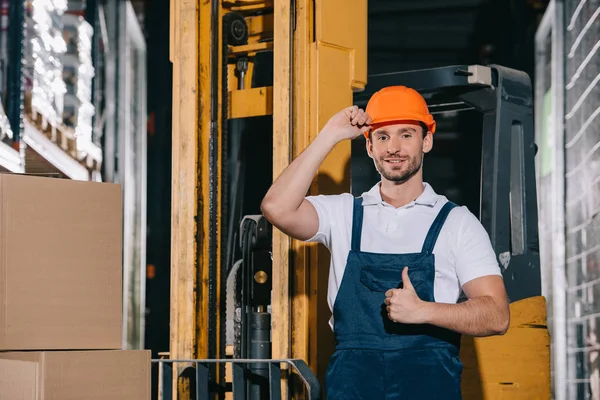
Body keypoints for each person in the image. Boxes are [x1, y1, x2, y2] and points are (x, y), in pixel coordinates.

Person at [260, 85, 510, 399]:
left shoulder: (457, 223)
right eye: (382, 136)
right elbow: (276, 207)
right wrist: (330, 134)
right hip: (352, 385)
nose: (393, 147)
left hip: (429, 385)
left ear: (427, 141)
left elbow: (496, 315)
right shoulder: (343, 214)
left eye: (406, 134)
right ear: (369, 147)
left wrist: (425, 312)